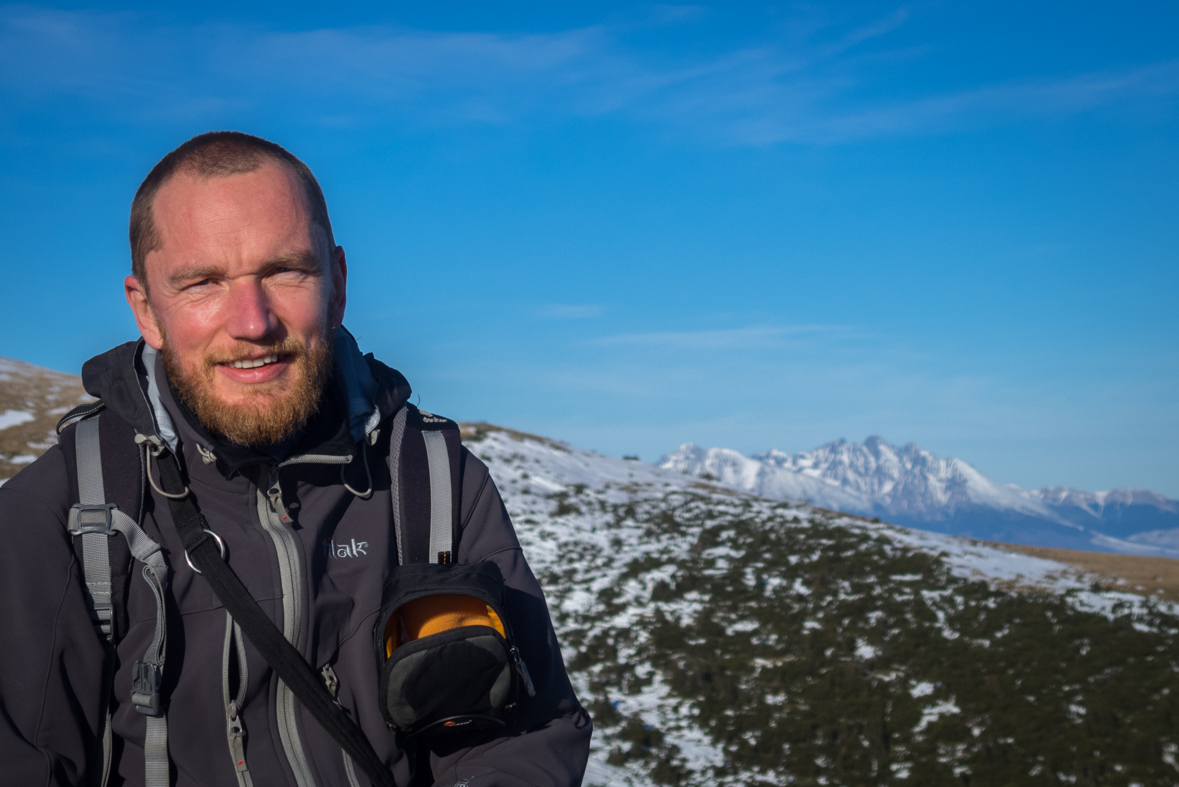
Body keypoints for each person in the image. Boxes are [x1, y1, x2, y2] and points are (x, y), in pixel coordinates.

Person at [0, 132, 591, 786]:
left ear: (337, 284)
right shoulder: (66, 511)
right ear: (148, 311)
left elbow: (523, 736)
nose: (252, 321)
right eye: (202, 282)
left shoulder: (434, 482)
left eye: (286, 270)